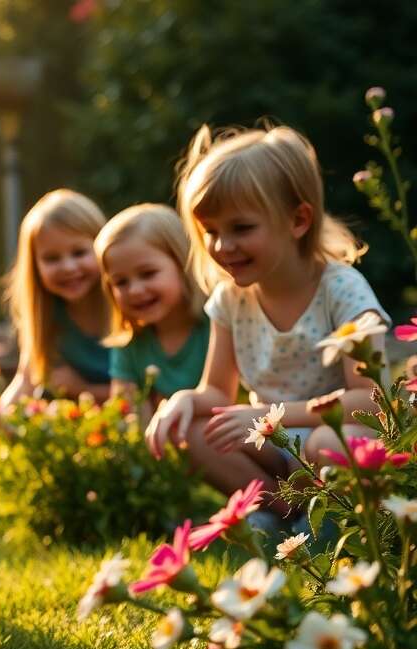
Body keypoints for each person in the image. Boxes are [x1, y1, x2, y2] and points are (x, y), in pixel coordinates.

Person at [145, 125, 389, 521]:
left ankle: (333, 521)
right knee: (194, 430)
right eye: (211, 231)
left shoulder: (342, 290)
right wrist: (183, 400)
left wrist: (272, 415)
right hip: (274, 442)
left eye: (241, 228)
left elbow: (369, 401)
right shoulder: (231, 299)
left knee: (331, 442)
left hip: (332, 435)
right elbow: (217, 392)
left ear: (298, 220)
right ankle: (285, 517)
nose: (222, 246)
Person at [0, 189, 111, 410]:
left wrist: (82, 389)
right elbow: (25, 382)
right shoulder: (47, 316)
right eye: (52, 259)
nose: (68, 267)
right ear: (35, 267)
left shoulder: (126, 306)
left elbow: (144, 392)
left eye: (79, 253)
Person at [96, 203, 209, 411]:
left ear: (183, 264)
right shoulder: (129, 343)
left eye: (148, 274)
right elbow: (128, 413)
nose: (135, 290)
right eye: (121, 282)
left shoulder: (214, 325)